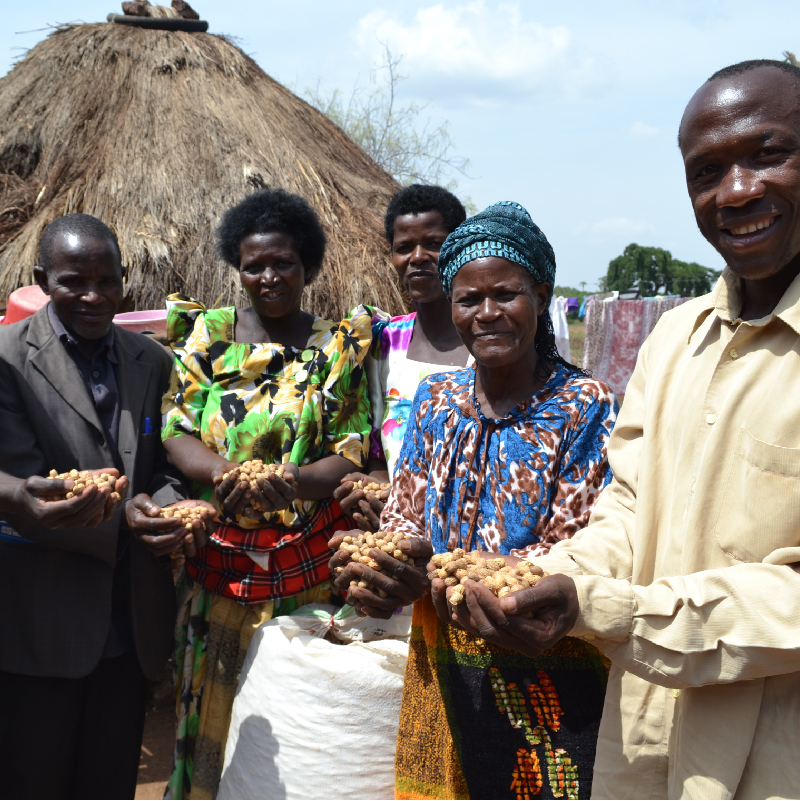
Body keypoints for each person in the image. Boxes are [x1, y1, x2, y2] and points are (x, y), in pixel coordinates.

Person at [442, 60, 800, 799]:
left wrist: (612, 608)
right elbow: (628, 511)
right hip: (642, 743)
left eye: (768, 154)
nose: (736, 191)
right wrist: (560, 578)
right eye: (707, 170)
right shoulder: (673, 339)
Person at [331, 202, 618, 800]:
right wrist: (389, 562)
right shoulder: (437, 397)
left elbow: (580, 546)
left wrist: (459, 579)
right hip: (440, 654)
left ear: (540, 296)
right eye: (468, 299)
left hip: (544, 659)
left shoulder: (584, 405)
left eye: (506, 294)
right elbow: (404, 513)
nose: (486, 314)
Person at [161, 188, 373, 799]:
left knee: (295, 728)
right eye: (254, 264)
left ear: (306, 264)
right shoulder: (208, 336)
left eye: (283, 262)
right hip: (219, 572)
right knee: (212, 720)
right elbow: (176, 427)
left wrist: (289, 481)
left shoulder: (337, 347)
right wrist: (230, 474)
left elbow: (351, 447)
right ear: (238, 267)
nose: (269, 275)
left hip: (305, 573)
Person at [0, 213, 212, 799]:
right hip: (40, 621)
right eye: (73, 281)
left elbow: (166, 465)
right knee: (31, 780)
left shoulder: (151, 360)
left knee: (107, 781)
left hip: (130, 621)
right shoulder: (8, 357)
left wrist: (168, 507)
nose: (93, 296)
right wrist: (128, 513)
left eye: (107, 279)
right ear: (43, 278)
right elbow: (22, 481)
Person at [334, 184, 471, 531]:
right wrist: (377, 491)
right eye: (404, 248)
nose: (418, 257)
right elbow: (378, 454)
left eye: (435, 244)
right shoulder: (382, 342)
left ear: (461, 246)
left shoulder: (484, 347)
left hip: (471, 538)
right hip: (395, 535)